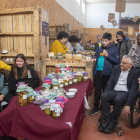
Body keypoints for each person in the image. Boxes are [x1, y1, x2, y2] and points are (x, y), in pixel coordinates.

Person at [99, 55, 139, 133]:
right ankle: (107, 120)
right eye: (121, 62)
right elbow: (110, 82)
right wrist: (106, 92)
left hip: (125, 92)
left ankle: (113, 122)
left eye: (124, 63)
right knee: (104, 96)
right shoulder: (117, 68)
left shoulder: (135, 72)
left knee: (118, 99)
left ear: (130, 65)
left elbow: (134, 89)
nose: (121, 64)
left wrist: (128, 104)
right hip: (115, 90)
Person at [89, 33, 119, 115]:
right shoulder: (99, 48)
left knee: (105, 92)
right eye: (103, 41)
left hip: (108, 74)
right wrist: (94, 58)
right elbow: (95, 55)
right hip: (98, 73)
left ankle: (103, 107)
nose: (104, 42)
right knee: (97, 92)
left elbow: (117, 62)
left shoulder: (114, 49)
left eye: (106, 41)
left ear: (110, 40)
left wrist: (107, 55)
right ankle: (95, 108)